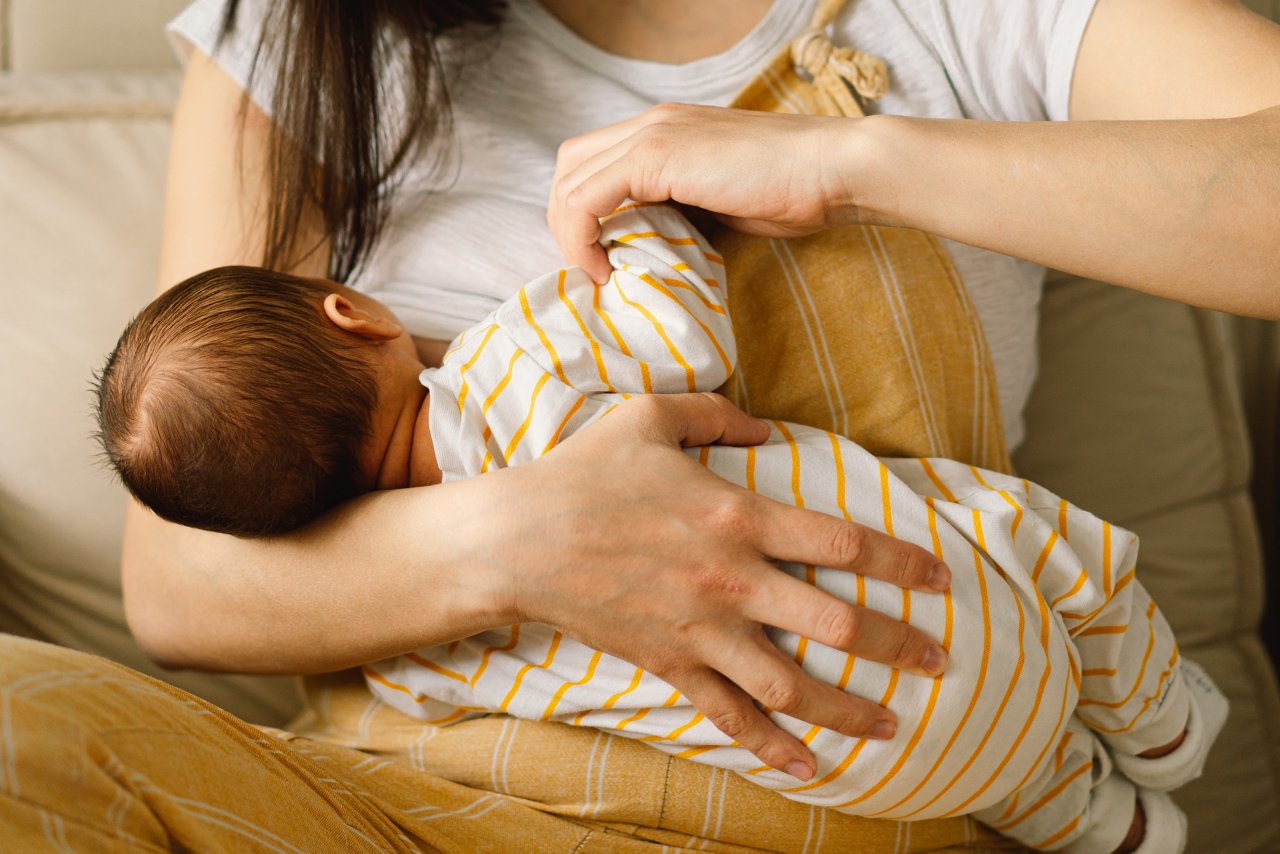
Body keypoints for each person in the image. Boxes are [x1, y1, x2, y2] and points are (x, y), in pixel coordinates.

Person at [4, 0, 1278, 849]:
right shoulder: (311, 33)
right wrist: (529, 541)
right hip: (402, 804)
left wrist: (856, 163)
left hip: (827, 797)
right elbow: (178, 577)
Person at [97, 203, 1225, 852]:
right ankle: (1162, 721)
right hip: (965, 600)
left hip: (876, 773)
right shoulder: (513, 364)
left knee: (1005, 768)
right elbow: (680, 333)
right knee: (1028, 535)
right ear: (354, 311)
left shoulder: (407, 655)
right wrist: (639, 214)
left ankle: (1105, 825)